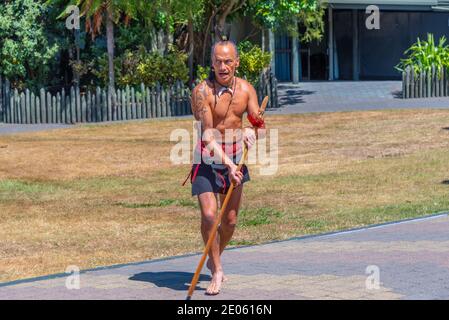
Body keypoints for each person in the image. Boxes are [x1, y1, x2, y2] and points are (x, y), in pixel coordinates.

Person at [186, 39, 265, 295]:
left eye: (228, 61)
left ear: (236, 63)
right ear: (212, 62)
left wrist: (253, 132)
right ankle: (217, 270)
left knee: (229, 221)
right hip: (208, 159)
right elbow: (208, 136)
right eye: (218, 61)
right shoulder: (202, 92)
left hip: (235, 158)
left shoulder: (246, 90)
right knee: (210, 215)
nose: (223, 66)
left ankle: (214, 254)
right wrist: (229, 165)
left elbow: (257, 121)